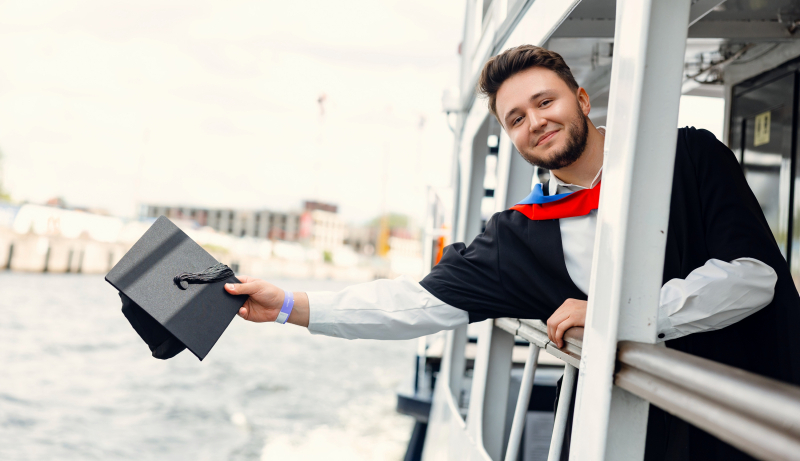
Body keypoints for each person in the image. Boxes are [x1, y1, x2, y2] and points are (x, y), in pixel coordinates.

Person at [225, 45, 800, 460]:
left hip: (759, 421)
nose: (535, 123)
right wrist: (287, 305)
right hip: (637, 438)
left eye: (544, 101)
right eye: (516, 119)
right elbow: (418, 303)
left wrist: (612, 312)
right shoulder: (521, 234)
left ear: (580, 97)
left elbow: (751, 280)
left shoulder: (690, 157)